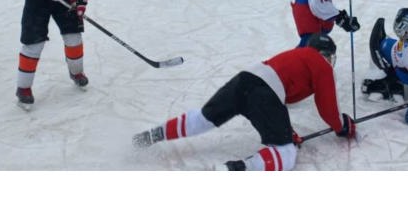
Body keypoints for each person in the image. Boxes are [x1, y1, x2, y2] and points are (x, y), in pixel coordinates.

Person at [131, 34, 356, 171]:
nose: (329, 61)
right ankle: (237, 169)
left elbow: (276, 103)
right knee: (286, 153)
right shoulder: (321, 64)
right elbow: (327, 108)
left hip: (245, 79)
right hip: (265, 92)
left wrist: (286, 130)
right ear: (324, 54)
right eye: (329, 56)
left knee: (204, 118)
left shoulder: (296, 56)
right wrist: (342, 126)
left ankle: (150, 135)